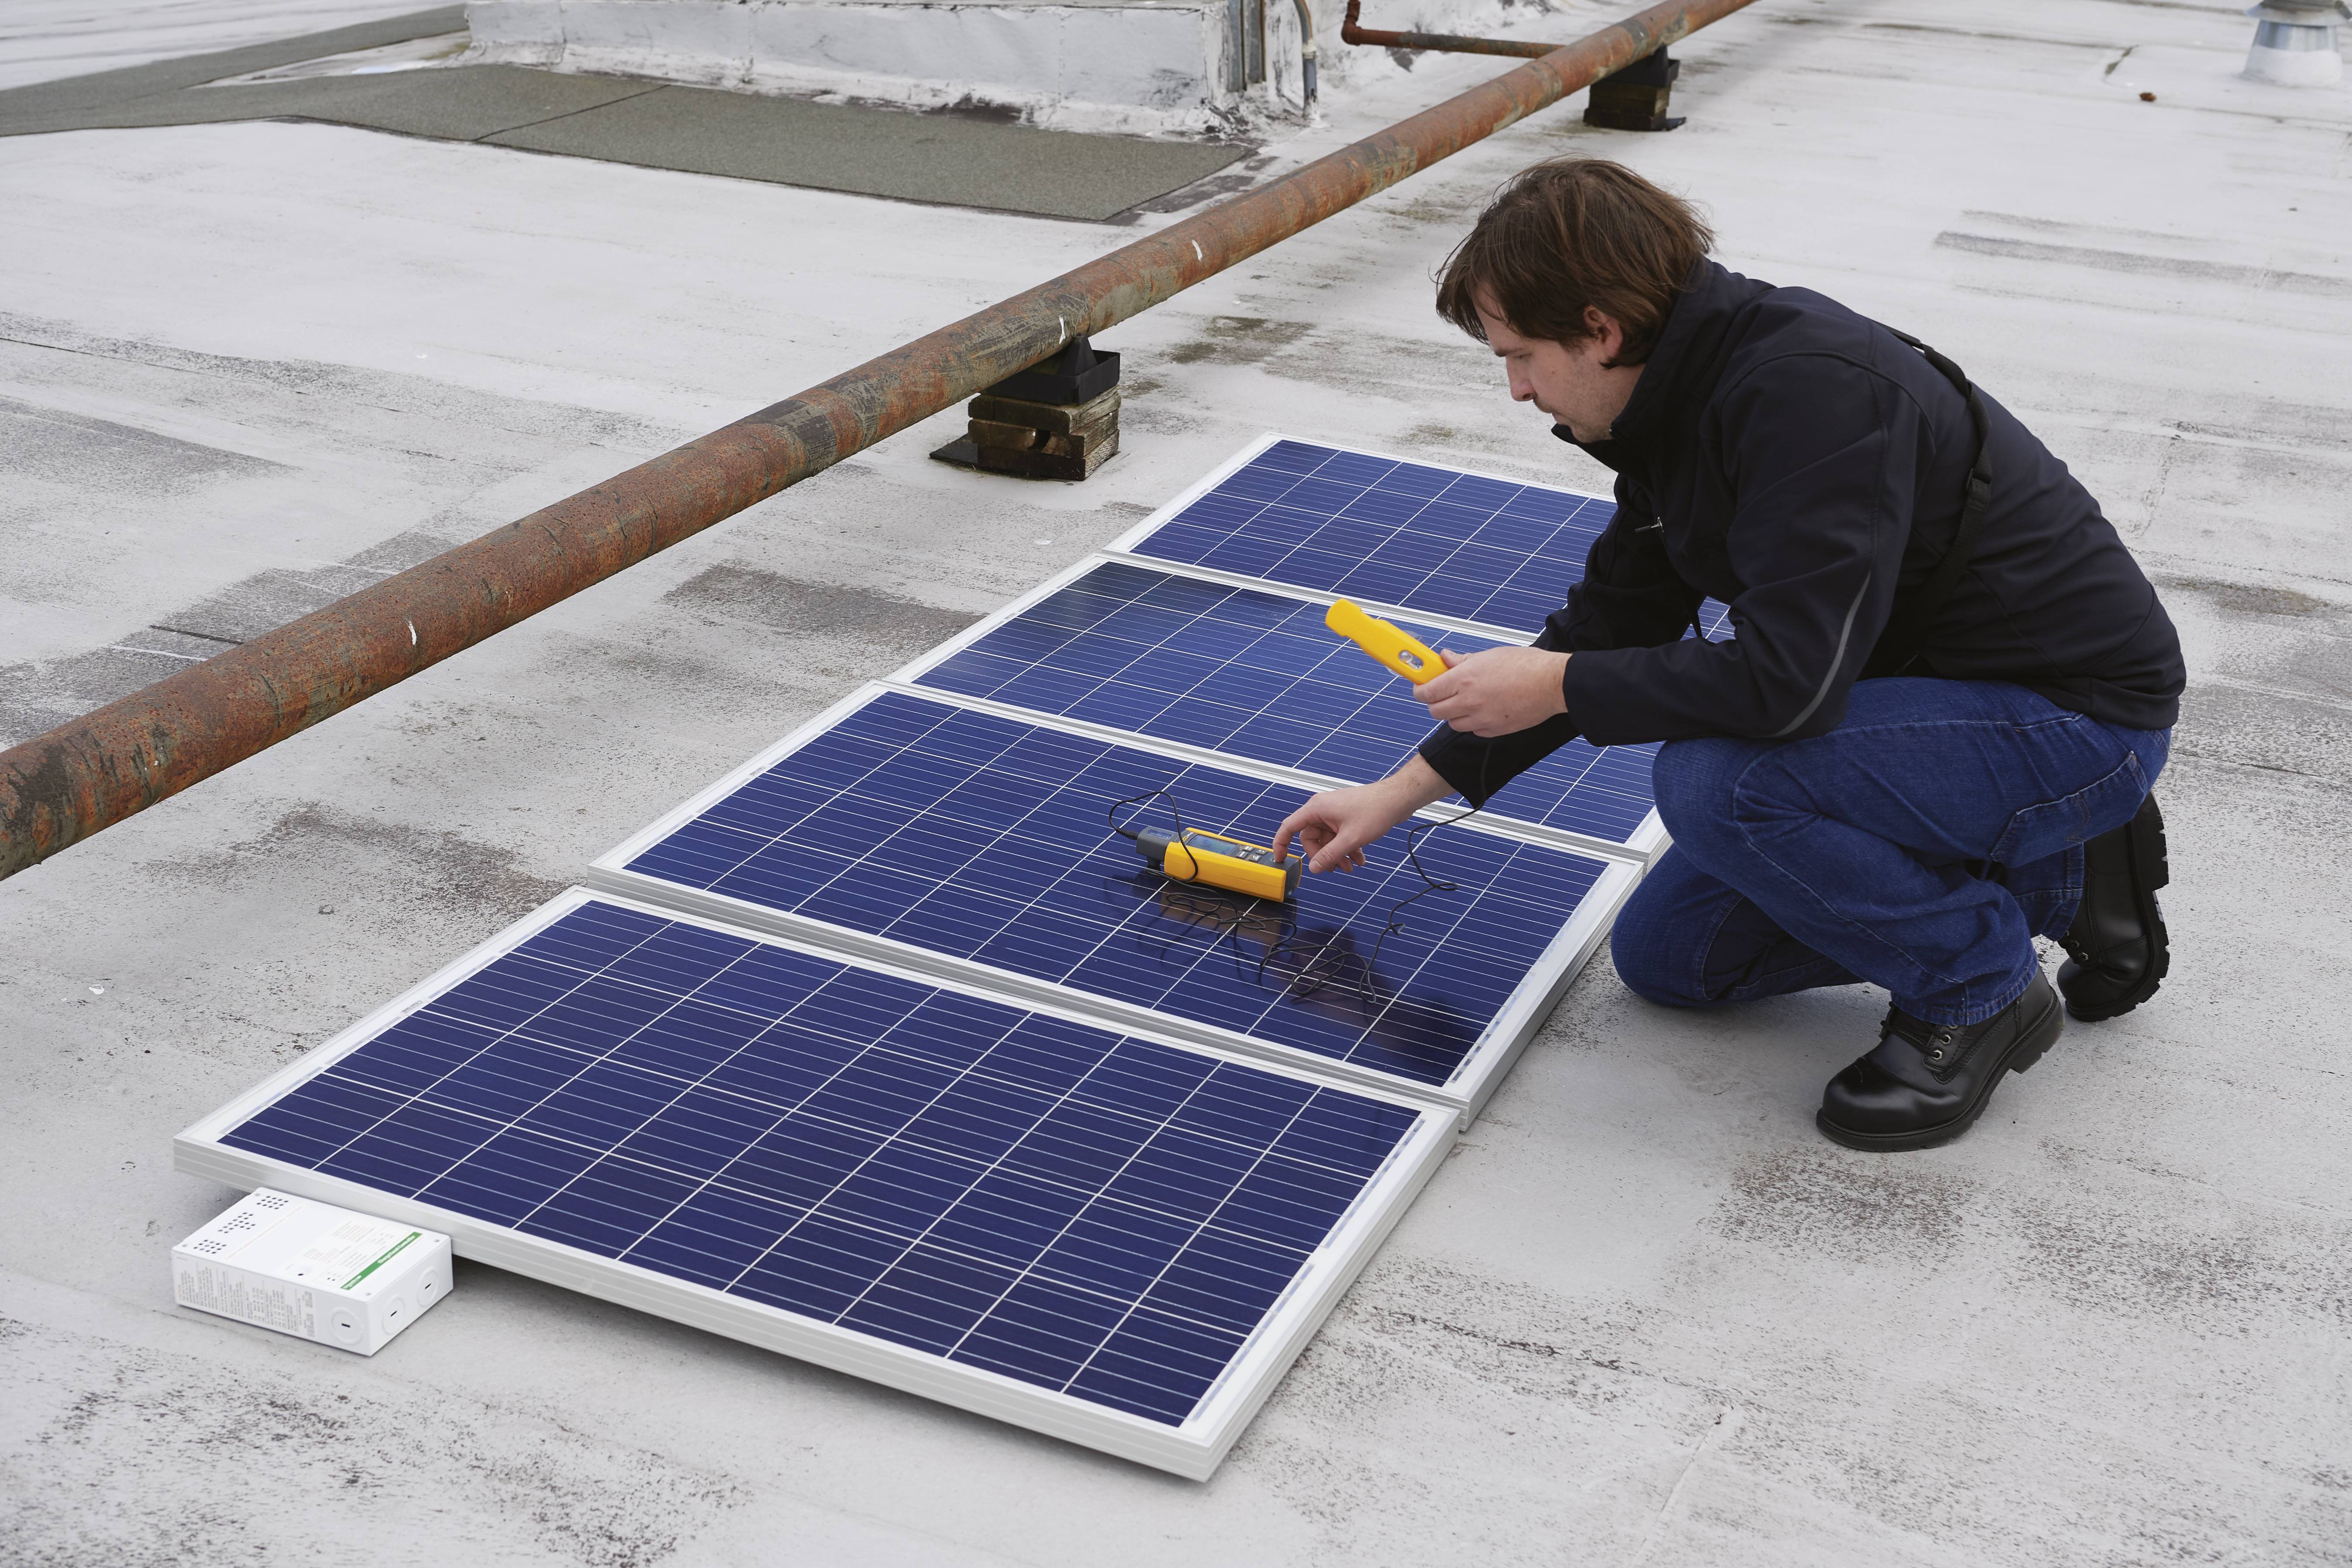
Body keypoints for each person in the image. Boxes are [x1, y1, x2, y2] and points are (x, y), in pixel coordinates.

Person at [1271, 158, 2183, 1152]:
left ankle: (1981, 982)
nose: (1516, 387)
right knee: (1674, 958)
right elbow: (1615, 624)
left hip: (2073, 715)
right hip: (1923, 703)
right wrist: (1396, 792)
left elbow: (1786, 685)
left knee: (1718, 784)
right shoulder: (1673, 404)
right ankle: (2063, 871)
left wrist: (1560, 683)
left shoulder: (1816, 400)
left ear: (1601, 328)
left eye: (1522, 353)